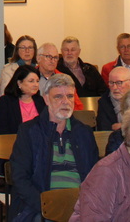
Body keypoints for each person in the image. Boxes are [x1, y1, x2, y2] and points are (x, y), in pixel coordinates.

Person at [10, 74, 99, 222]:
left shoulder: (84, 133)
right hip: (41, 205)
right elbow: (20, 178)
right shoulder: (29, 131)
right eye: (58, 97)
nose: (65, 101)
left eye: (70, 96)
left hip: (79, 205)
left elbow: (94, 176)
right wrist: (45, 205)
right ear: (46, 99)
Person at [97, 66, 130, 131]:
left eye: (119, 83)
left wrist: (123, 126)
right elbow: (103, 129)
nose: (114, 87)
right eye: (111, 83)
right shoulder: (104, 102)